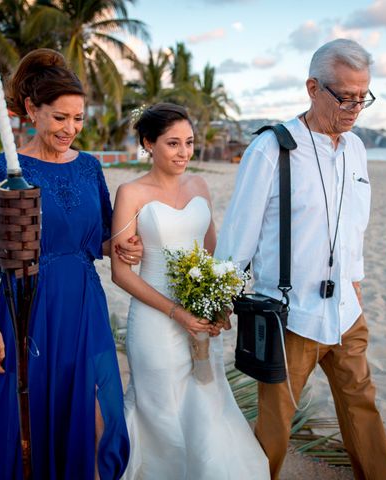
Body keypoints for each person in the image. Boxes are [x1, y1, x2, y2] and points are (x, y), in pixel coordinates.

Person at [215, 39, 386, 480]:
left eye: (363, 97)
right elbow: (239, 232)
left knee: (363, 411)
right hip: (288, 315)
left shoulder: (356, 149)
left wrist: (355, 281)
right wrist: (218, 297)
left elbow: (355, 226)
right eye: (345, 96)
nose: (355, 108)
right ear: (313, 88)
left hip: (346, 313)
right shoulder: (272, 148)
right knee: (276, 429)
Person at [0, 48, 139, 479]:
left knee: (96, 406)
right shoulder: (4, 168)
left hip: (84, 305)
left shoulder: (91, 166)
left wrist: (125, 245)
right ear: (32, 111)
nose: (71, 129)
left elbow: (104, 239)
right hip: (27, 305)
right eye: (60, 118)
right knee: (25, 412)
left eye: (78, 119)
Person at [110, 103, 269, 479]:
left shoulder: (199, 185)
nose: (184, 153)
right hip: (155, 320)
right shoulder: (131, 192)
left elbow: (212, 251)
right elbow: (120, 272)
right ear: (148, 144)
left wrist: (219, 304)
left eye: (189, 143)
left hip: (201, 317)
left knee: (206, 400)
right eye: (173, 144)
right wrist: (175, 312)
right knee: (161, 410)